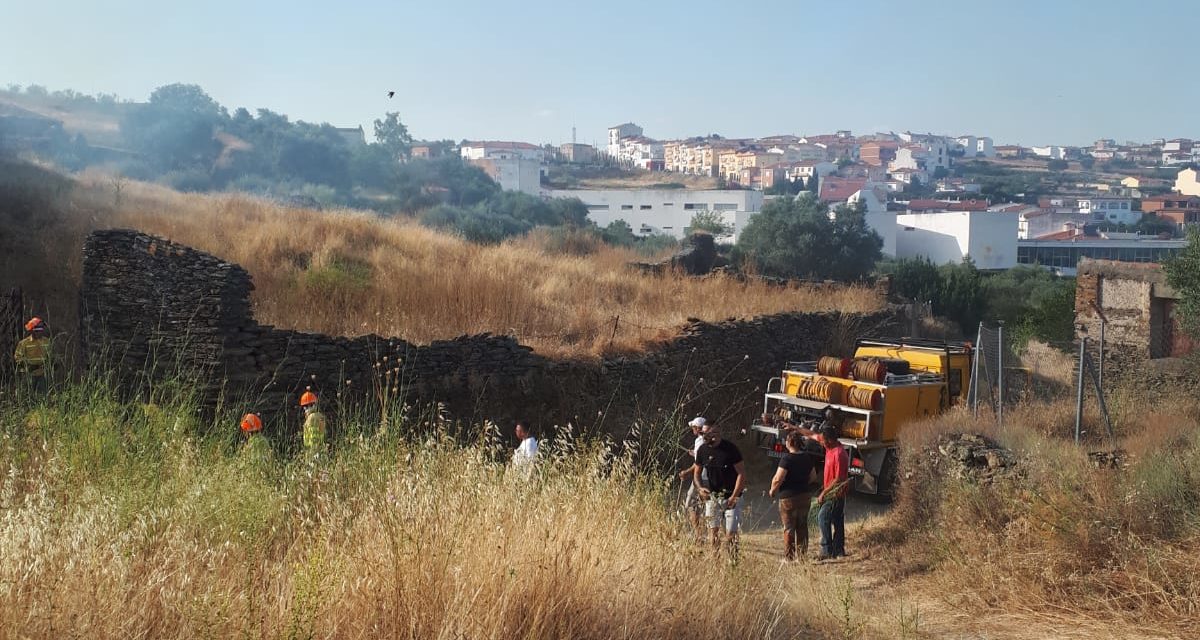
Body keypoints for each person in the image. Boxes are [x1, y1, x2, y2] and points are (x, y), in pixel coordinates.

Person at [692, 423, 746, 553]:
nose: (704, 436)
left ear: (717, 433)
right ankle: (714, 564)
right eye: (702, 433)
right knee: (713, 533)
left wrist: (734, 497)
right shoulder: (702, 450)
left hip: (731, 497)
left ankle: (732, 564)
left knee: (731, 536)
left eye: (707, 434)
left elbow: (741, 474)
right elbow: (697, 473)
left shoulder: (731, 450)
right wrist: (700, 488)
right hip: (713, 498)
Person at [769, 430, 816, 562]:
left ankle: (789, 557)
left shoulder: (787, 458)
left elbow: (778, 478)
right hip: (805, 496)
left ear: (789, 442)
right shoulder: (807, 457)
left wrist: (773, 490)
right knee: (802, 526)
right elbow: (813, 476)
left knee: (789, 527)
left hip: (788, 497)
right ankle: (802, 557)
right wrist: (802, 483)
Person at [815, 424, 849, 560]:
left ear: (829, 440)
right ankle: (838, 549)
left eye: (823, 441)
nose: (821, 443)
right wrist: (795, 428)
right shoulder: (829, 447)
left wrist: (824, 493)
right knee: (837, 520)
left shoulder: (839, 453)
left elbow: (839, 478)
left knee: (823, 517)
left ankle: (826, 549)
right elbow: (812, 435)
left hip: (835, 493)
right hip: (833, 492)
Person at [678, 417, 708, 540]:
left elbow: (698, 463)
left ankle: (698, 535)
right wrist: (695, 453)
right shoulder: (706, 440)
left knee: (690, 505)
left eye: (693, 428)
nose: (692, 430)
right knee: (705, 505)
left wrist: (686, 472)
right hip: (708, 477)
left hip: (700, 478)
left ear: (698, 428)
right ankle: (704, 534)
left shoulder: (700, 441)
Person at [13, 317, 51, 395]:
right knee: (27, 395)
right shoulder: (24, 343)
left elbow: (50, 355)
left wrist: (50, 363)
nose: (39, 333)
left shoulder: (46, 342)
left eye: (41, 331)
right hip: (28, 375)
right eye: (37, 331)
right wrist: (27, 365)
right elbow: (17, 357)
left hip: (42, 374)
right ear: (32, 331)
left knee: (42, 396)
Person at [299, 389, 326, 455]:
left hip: (314, 451)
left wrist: (312, 452)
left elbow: (314, 436)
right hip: (321, 449)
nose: (304, 410)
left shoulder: (312, 418)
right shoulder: (320, 416)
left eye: (304, 407)